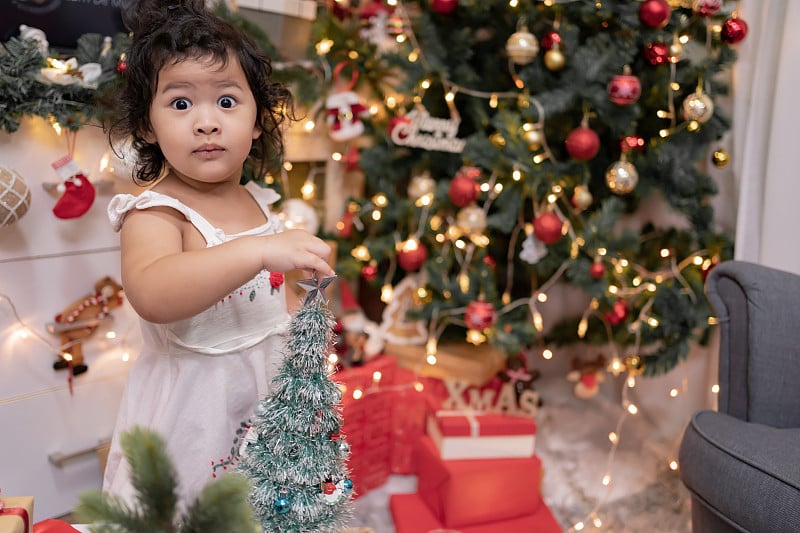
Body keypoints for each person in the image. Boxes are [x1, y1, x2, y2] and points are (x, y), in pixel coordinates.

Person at [102, 0, 334, 508]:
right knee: (196, 514)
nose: (206, 123)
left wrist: (309, 331)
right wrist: (257, 251)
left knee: (266, 509)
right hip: (194, 413)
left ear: (256, 122)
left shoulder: (256, 199)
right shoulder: (156, 212)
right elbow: (153, 293)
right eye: (181, 104)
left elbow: (274, 300)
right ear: (146, 125)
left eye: (227, 102)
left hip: (267, 400)